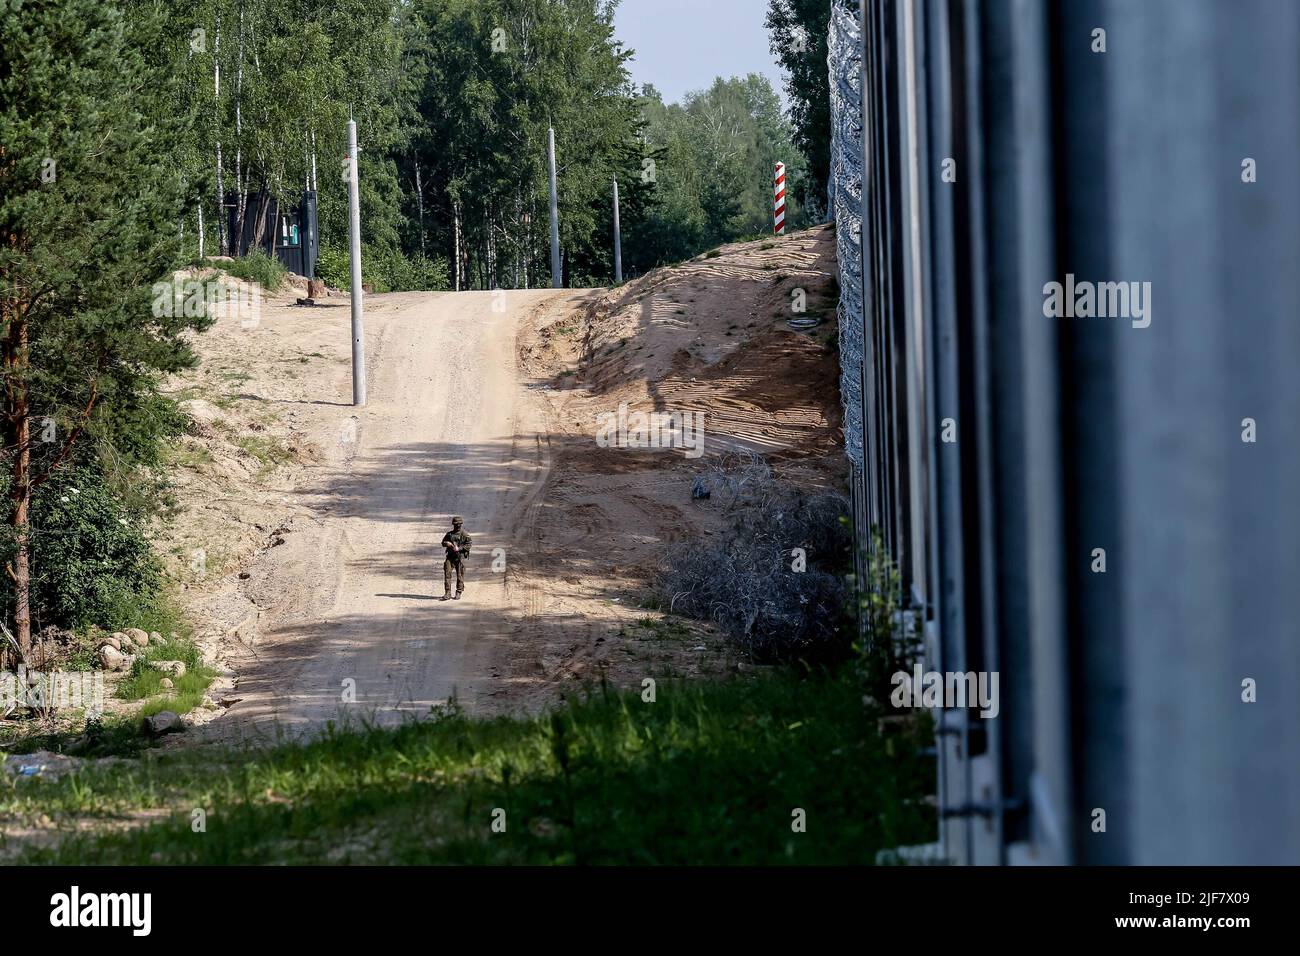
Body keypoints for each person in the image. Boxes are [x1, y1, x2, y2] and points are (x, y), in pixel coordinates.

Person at [441, 516, 472, 600]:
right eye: (456, 524)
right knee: (447, 574)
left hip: (460, 557)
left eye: (459, 524)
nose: (457, 526)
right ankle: (447, 593)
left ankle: (458, 592)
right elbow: (443, 542)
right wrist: (447, 543)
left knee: (460, 575)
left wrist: (459, 548)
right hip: (450, 557)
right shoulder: (449, 534)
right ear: (453, 524)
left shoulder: (464, 535)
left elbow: (469, 544)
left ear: (461, 524)